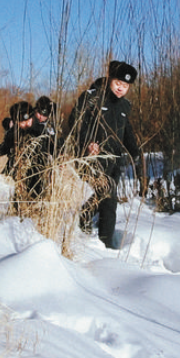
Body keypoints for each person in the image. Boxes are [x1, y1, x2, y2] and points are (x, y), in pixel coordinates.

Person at [69, 60, 141, 248]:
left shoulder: (125, 106)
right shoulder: (93, 97)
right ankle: (105, 244)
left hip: (115, 161)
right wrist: (87, 143)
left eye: (125, 86)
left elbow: (127, 131)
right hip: (93, 158)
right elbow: (77, 122)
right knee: (109, 198)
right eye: (118, 83)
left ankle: (85, 219)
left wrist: (135, 152)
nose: (121, 88)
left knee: (106, 196)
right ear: (110, 79)